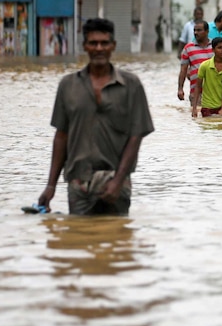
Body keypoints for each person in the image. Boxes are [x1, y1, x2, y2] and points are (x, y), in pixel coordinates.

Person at [38, 18, 154, 215]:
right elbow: (61, 136)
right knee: (79, 239)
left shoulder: (131, 85)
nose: (99, 48)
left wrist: (118, 181)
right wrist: (50, 187)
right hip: (78, 183)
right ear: (85, 46)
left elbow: (136, 136)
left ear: (113, 46)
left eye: (104, 43)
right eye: (93, 43)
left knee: (117, 238)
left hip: (115, 181)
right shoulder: (68, 85)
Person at [192, 37, 222, 117]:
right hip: (207, 106)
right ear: (213, 50)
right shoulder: (204, 66)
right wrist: (194, 108)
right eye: (219, 48)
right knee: (208, 127)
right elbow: (198, 87)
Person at [177, 19, 213, 104]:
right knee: (197, 115)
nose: (196, 33)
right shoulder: (188, 48)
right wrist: (180, 89)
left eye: (199, 30)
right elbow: (183, 70)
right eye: (194, 30)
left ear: (207, 31)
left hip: (215, 92)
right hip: (196, 93)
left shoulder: (216, 46)